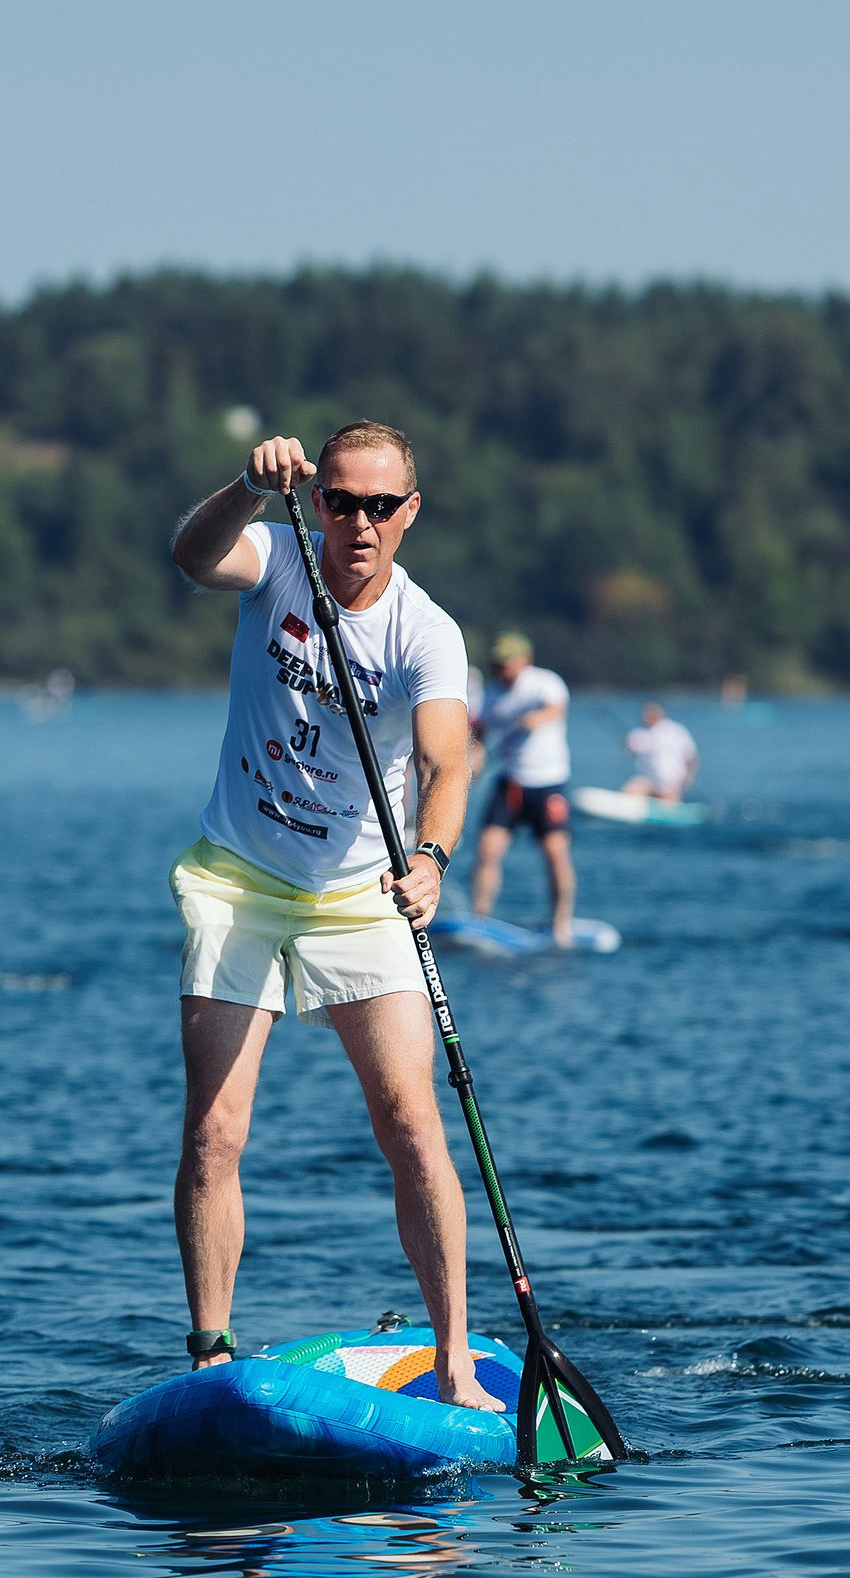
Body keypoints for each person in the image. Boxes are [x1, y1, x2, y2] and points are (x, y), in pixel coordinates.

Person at [162, 420, 502, 1413]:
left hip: (362, 893)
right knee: (215, 1127)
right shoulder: (276, 559)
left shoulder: (425, 632)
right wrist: (243, 485)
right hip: (238, 877)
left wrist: (433, 857)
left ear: (409, 514)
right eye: (341, 501)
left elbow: (448, 759)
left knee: (408, 1120)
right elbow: (190, 555)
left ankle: (449, 1359)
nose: (358, 523)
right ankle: (211, 1352)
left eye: (379, 506)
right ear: (317, 502)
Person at [470, 632, 578, 942]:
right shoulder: (490, 693)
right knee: (487, 849)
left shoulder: (545, 683)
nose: (500, 669)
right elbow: (479, 732)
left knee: (555, 854)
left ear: (524, 661)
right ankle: (480, 916)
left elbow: (557, 709)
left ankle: (560, 923)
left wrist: (538, 717)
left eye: (506, 663)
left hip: (547, 782)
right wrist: (474, 757)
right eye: (496, 664)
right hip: (510, 781)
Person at [622, 701, 699, 802]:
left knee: (668, 801)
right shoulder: (638, 733)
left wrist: (688, 778)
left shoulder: (676, 731)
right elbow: (629, 750)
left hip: (670, 782)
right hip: (648, 780)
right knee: (630, 791)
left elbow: (691, 757)